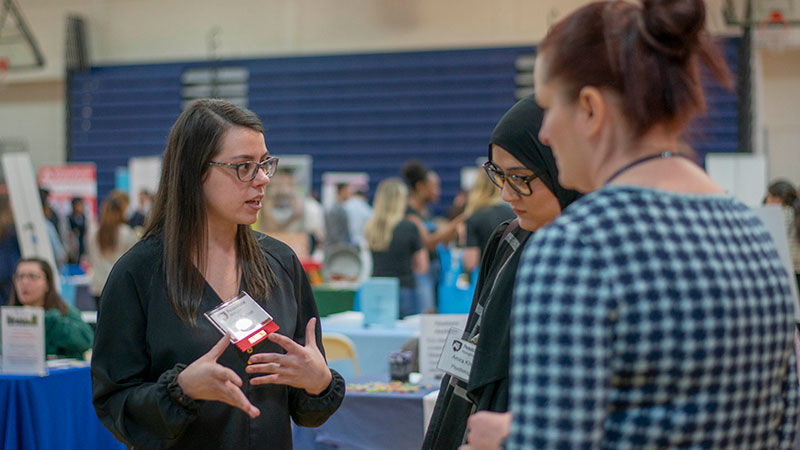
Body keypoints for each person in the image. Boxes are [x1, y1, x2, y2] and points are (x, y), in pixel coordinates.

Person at [464, 0, 799, 448]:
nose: (544, 134)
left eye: (549, 109)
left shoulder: (578, 246)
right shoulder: (753, 233)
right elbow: (785, 423)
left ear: (590, 109)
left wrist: (506, 440)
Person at [91, 99, 344, 449]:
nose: (263, 179)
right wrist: (181, 390)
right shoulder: (139, 273)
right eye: (244, 167)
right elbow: (114, 404)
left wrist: (318, 382)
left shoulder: (281, 263)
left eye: (264, 164)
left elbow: (305, 409)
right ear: (195, 172)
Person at [422, 96, 580, 450]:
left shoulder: (591, 258)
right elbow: (475, 343)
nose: (508, 193)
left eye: (521, 178)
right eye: (499, 175)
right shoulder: (507, 240)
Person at [403, 160, 462, 312]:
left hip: (435, 274)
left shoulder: (426, 213)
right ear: (420, 187)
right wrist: (458, 222)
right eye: (434, 186)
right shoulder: (409, 214)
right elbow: (427, 242)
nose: (438, 191)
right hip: (420, 277)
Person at [364, 178, 428, 318]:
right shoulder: (409, 227)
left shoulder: (370, 227)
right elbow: (422, 266)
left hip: (377, 289)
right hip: (404, 289)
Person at [8, 258, 93, 359]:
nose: (24, 282)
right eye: (20, 277)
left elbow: (86, 341)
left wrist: (48, 320)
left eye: (32, 277)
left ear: (47, 284)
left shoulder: (64, 312)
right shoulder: (8, 317)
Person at [87, 194, 138, 307]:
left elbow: (90, 257)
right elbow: (132, 261)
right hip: (119, 286)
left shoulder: (94, 233)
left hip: (98, 285)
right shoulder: (125, 233)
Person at [461, 170, 515, 273]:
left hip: (487, 278)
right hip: (510, 274)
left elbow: (470, 263)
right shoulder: (512, 213)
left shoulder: (474, 217)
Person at [764, 179, 800, 292]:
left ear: (778, 198)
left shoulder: (779, 215)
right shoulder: (796, 213)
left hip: (786, 272)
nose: (766, 201)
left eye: (769, 197)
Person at [67, 197, 87, 264]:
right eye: (79, 205)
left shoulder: (85, 219)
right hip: (72, 249)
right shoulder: (69, 219)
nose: (81, 207)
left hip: (82, 248)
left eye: (82, 205)